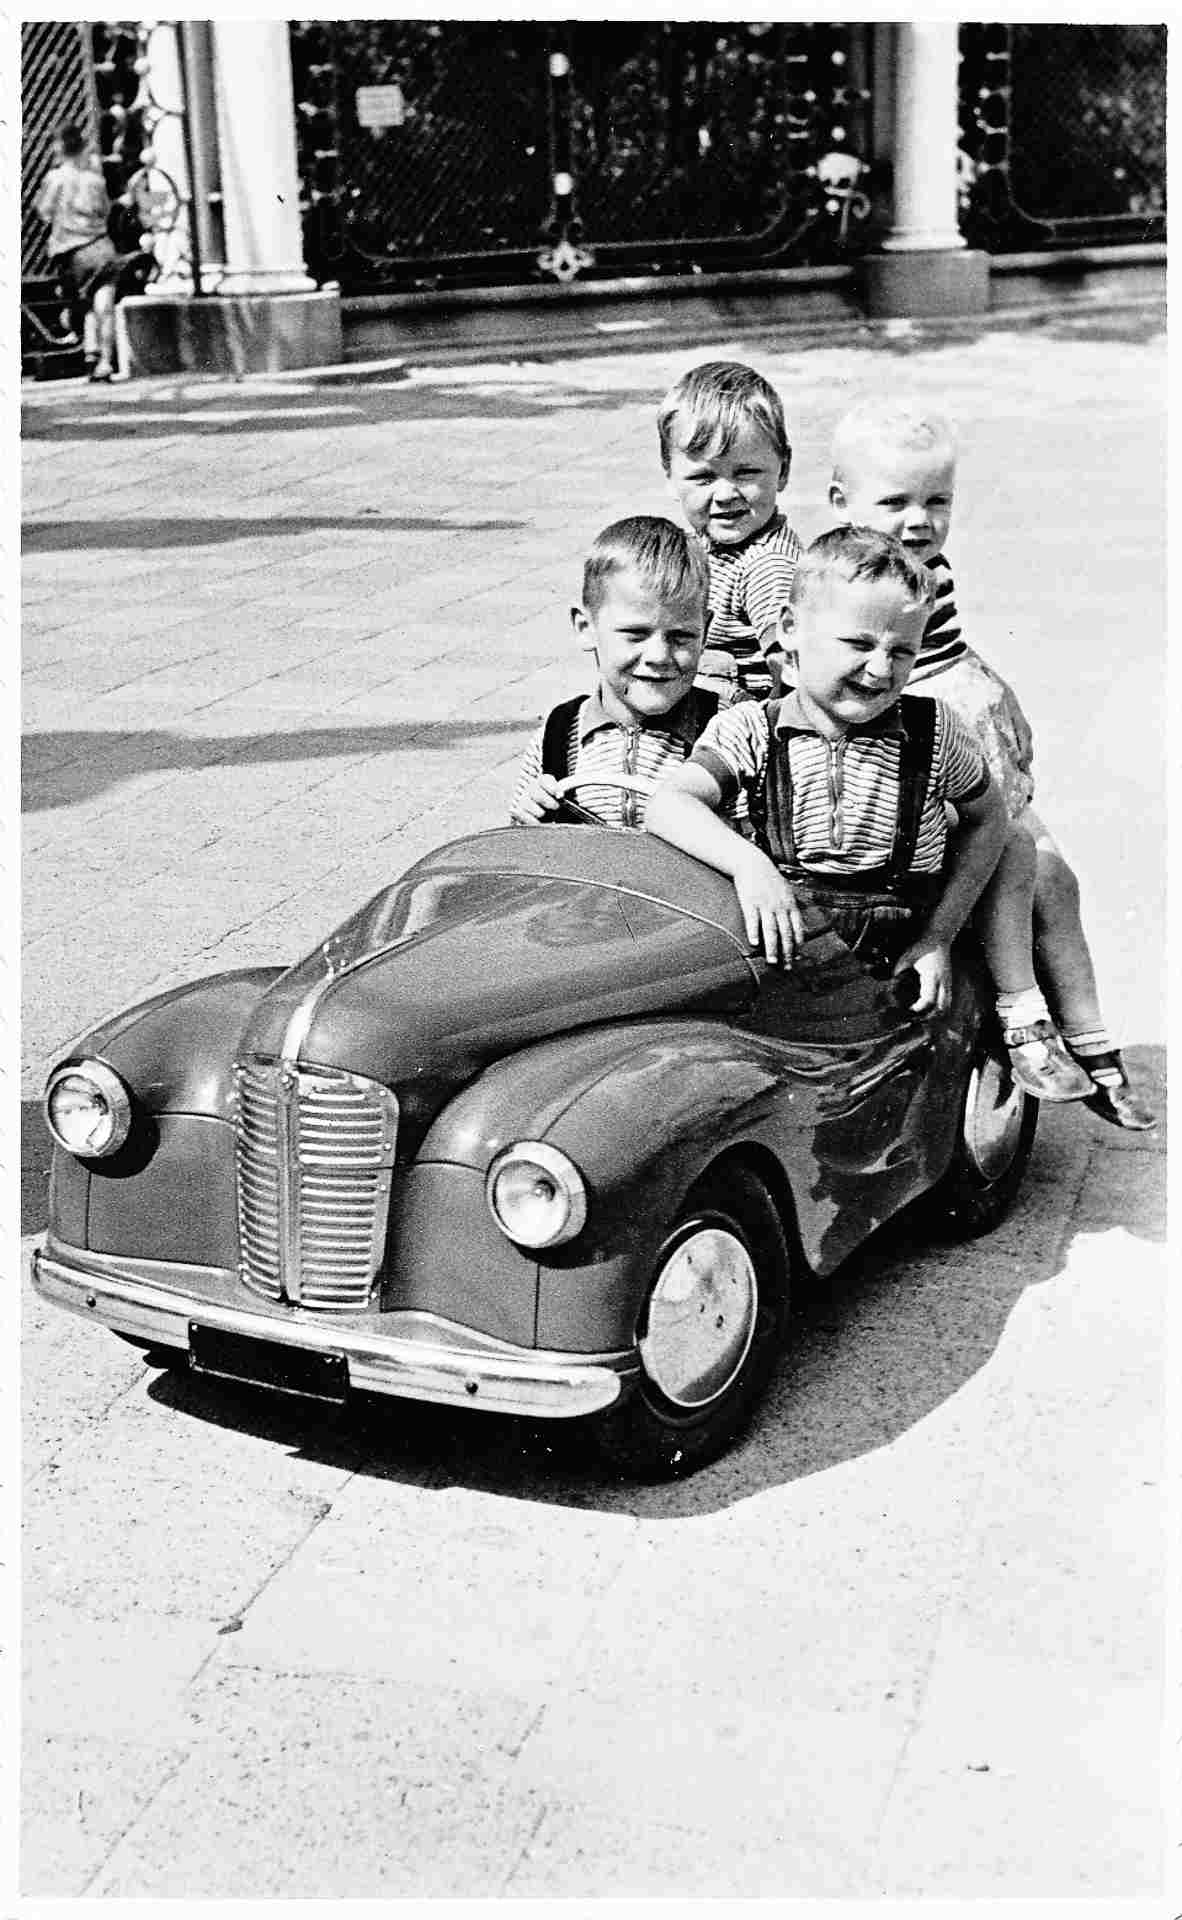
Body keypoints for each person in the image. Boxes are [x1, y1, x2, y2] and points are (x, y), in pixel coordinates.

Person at [826, 397, 1154, 1128]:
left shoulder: (928, 569)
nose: (919, 521)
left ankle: (1094, 1043)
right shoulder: (848, 585)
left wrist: (999, 693)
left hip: (973, 742)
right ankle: (1023, 1013)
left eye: (937, 501)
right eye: (895, 502)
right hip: (924, 767)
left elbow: (948, 650)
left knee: (1057, 878)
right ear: (842, 503)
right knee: (1014, 856)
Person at [646, 527, 1008, 1022]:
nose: (880, 670)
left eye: (902, 651)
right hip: (786, 963)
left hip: (897, 967)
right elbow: (669, 804)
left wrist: (938, 936)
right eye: (858, 643)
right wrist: (750, 866)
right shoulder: (751, 729)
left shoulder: (935, 732)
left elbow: (989, 819)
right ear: (790, 628)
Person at [510, 516, 715, 830]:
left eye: (681, 637)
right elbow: (518, 846)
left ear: (705, 632)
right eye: (635, 635)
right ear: (586, 628)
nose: (659, 656)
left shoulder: (725, 730)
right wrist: (528, 817)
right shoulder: (556, 734)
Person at [658, 360, 802, 705]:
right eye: (703, 477)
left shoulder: (767, 565)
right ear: (670, 477)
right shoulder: (707, 545)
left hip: (741, 717)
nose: (725, 494)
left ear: (783, 470)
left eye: (746, 473)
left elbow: (790, 666)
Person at [35, 122, 119, 382]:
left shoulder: (55, 179)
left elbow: (43, 212)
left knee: (84, 304)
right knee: (104, 305)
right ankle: (104, 362)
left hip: (73, 252)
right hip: (102, 246)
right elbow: (106, 211)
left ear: (59, 149)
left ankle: (90, 355)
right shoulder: (95, 180)